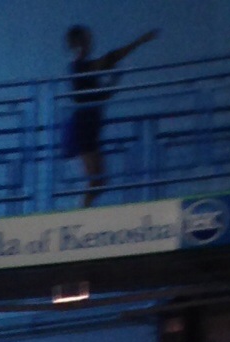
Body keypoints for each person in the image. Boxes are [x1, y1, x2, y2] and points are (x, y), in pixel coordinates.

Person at [61, 24, 158, 207]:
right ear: (79, 42)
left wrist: (114, 80)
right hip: (83, 128)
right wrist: (139, 42)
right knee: (95, 179)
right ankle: (80, 212)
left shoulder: (84, 67)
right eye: (86, 39)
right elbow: (109, 59)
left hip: (91, 127)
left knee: (100, 180)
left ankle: (82, 210)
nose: (90, 42)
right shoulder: (78, 66)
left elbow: (102, 94)